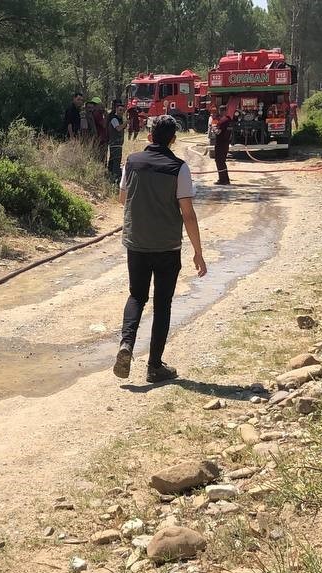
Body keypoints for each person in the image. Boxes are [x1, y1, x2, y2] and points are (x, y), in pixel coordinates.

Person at [113, 116, 208, 384]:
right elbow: (188, 214)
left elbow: (122, 199)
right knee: (162, 304)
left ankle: (127, 344)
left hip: (137, 243)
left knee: (136, 296)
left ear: (150, 136)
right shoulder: (179, 168)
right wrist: (198, 252)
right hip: (167, 246)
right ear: (173, 140)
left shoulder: (131, 162)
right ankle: (154, 366)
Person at [211, 103, 233, 186]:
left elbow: (218, 132)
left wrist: (213, 129)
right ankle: (225, 179)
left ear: (221, 111)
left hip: (220, 144)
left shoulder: (222, 121)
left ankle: (222, 180)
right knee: (222, 161)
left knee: (219, 161)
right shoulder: (229, 120)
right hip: (226, 143)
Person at [106, 100, 125, 183]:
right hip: (115, 144)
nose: (121, 112)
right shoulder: (114, 119)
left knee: (113, 161)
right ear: (116, 110)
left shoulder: (119, 119)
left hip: (118, 144)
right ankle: (115, 179)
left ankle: (111, 177)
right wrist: (126, 123)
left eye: (123, 110)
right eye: (120, 110)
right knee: (116, 162)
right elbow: (118, 128)